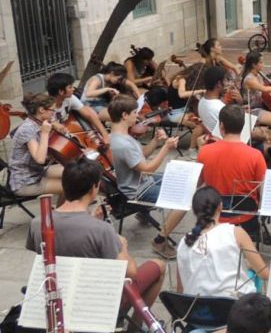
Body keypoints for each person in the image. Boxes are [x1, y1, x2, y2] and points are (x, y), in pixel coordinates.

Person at [26, 158, 166, 329]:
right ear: (94, 187)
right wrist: (122, 246)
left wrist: (90, 222)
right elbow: (131, 272)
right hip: (93, 301)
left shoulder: (37, 223)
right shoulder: (101, 230)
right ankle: (135, 327)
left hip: (56, 295)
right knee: (159, 266)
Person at [108, 94, 184, 258]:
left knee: (179, 178)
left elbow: (140, 154)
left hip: (142, 182)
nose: (138, 116)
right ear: (124, 115)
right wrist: (166, 148)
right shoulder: (122, 143)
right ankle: (160, 241)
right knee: (183, 199)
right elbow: (147, 169)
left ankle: (144, 212)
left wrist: (156, 142)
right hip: (138, 189)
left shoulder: (119, 136)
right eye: (135, 112)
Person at [197, 104, 271, 235]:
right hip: (246, 218)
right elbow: (263, 192)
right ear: (243, 126)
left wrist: (201, 149)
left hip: (214, 217)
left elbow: (198, 184)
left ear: (221, 126)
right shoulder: (256, 155)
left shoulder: (204, 152)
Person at [176, 186, 269, 298]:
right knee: (254, 275)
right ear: (221, 206)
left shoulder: (183, 243)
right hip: (235, 308)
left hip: (197, 308)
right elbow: (264, 273)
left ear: (194, 211)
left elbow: (180, 290)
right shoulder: (235, 232)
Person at [9, 93, 64, 198]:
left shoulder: (38, 123)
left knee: (74, 172)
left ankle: (63, 210)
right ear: (41, 110)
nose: (54, 114)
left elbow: (44, 155)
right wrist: (44, 134)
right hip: (26, 182)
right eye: (52, 110)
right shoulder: (27, 129)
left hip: (37, 172)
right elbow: (40, 159)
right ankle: (62, 213)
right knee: (74, 186)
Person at [47, 72, 110, 143]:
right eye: (70, 87)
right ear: (61, 91)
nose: (73, 89)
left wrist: (104, 134)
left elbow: (90, 115)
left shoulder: (70, 98)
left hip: (67, 133)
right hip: (52, 140)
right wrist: (53, 124)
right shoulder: (46, 107)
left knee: (89, 110)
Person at [239, 50, 271, 139]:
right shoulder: (249, 79)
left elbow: (264, 88)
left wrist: (270, 82)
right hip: (252, 110)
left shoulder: (257, 75)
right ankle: (270, 146)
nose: (263, 64)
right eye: (261, 62)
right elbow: (264, 89)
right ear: (253, 65)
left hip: (261, 106)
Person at [165, 62, 207, 154]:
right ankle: (191, 149)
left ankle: (201, 144)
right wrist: (200, 91)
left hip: (185, 112)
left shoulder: (187, 81)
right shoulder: (181, 79)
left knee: (204, 122)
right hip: (176, 114)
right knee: (199, 125)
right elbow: (181, 94)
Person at [197, 65, 229, 135]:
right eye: (226, 80)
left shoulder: (201, 101)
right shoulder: (221, 108)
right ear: (219, 84)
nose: (227, 83)